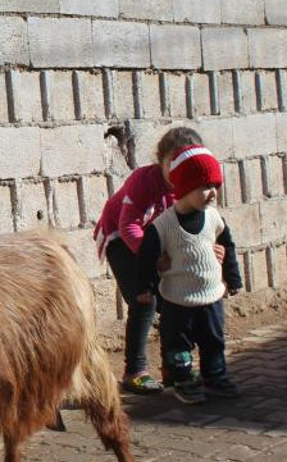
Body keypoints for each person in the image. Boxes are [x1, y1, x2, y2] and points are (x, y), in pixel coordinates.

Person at [93, 127, 207, 395]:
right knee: (145, 299)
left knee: (176, 299)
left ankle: (175, 367)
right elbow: (129, 224)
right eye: (174, 164)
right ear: (161, 161)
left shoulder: (195, 187)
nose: (181, 172)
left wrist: (212, 249)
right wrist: (153, 260)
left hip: (156, 242)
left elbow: (200, 224)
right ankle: (135, 370)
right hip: (121, 238)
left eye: (189, 165)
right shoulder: (144, 180)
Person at [135, 145, 244, 405]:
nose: (212, 193)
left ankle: (216, 376)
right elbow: (146, 258)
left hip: (211, 298)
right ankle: (184, 381)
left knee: (214, 341)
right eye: (205, 186)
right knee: (177, 347)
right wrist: (144, 288)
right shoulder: (163, 225)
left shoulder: (214, 218)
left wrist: (233, 278)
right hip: (177, 301)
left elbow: (227, 246)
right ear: (184, 187)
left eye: (216, 186)